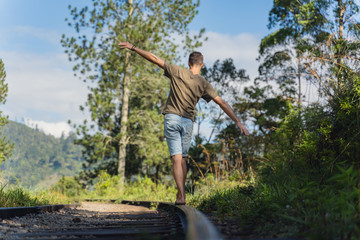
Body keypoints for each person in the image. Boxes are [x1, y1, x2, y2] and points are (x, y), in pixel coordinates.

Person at [118, 42, 249, 205]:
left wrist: (133, 48)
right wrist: (238, 122)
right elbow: (221, 102)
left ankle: (181, 195)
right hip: (187, 122)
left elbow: (155, 59)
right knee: (183, 159)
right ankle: (182, 195)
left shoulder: (177, 71)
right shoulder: (203, 83)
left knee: (176, 158)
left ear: (188, 63)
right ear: (202, 65)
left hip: (172, 118)